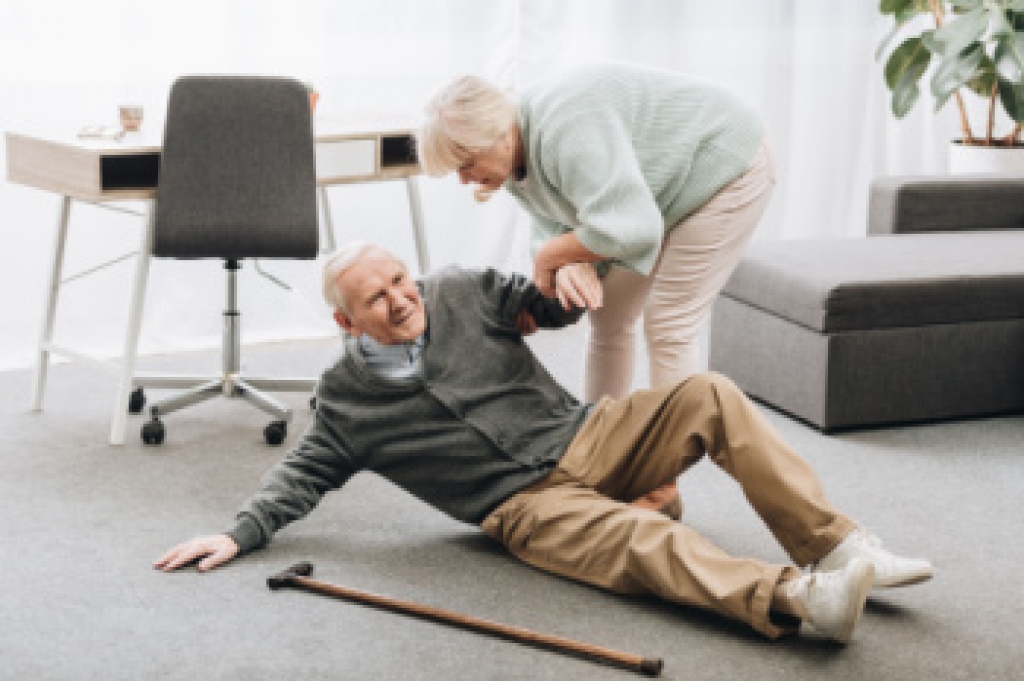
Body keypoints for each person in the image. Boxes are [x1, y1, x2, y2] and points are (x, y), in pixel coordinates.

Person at [155, 242, 933, 645]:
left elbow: (541, 304)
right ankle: (799, 598)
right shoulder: (345, 402)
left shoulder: (458, 288)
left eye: (399, 280)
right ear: (344, 320)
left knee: (710, 393)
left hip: (590, 433)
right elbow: (298, 475)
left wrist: (569, 285)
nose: (400, 298)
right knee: (639, 540)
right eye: (376, 297)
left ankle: (836, 545)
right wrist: (237, 532)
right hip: (524, 505)